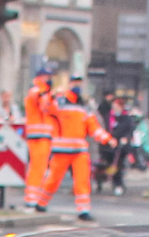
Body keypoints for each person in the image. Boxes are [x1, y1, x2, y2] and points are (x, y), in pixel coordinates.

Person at [33, 79, 114, 220]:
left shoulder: (84, 106)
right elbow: (46, 108)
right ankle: (41, 203)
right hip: (62, 150)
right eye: (74, 82)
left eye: (79, 83)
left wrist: (107, 139)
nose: (77, 86)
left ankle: (84, 210)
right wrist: (51, 94)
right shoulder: (60, 102)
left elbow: (93, 127)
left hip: (79, 150)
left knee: (82, 181)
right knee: (53, 179)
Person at [21, 74, 55, 210]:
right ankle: (32, 199)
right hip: (39, 136)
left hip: (41, 135)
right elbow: (46, 107)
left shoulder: (39, 91)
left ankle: (34, 197)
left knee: (39, 168)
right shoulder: (38, 91)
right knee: (38, 168)